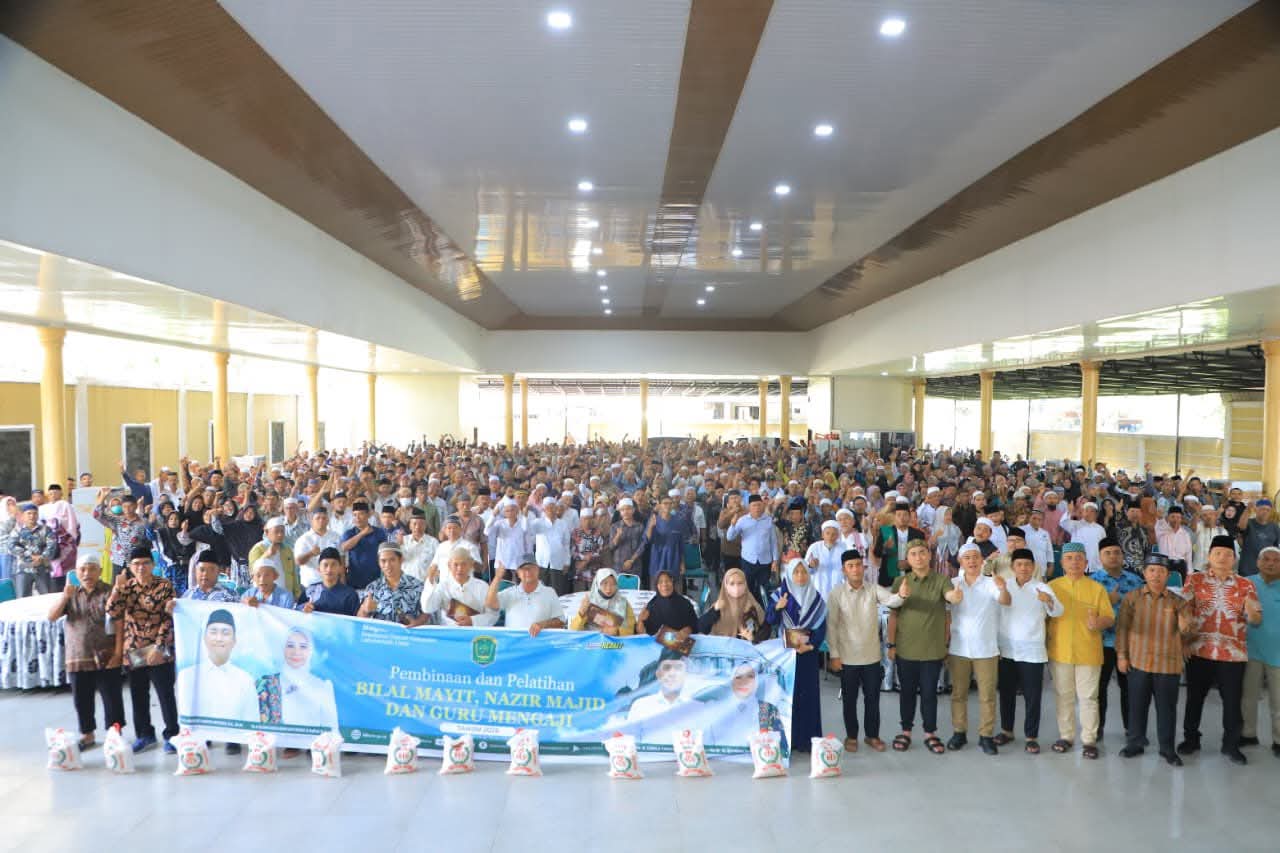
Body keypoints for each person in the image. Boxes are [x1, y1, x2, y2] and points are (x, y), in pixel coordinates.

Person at [1179, 534, 1262, 764]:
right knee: (1194, 698)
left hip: (1233, 654)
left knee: (1232, 701)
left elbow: (1255, 618)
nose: (1223, 557)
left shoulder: (1246, 585)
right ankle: (1191, 739)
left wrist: (1253, 613)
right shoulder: (1194, 580)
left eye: (1228, 554)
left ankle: (1231, 744)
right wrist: (1184, 639)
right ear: (1208, 556)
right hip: (1199, 649)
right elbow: (1183, 608)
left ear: (1234, 559)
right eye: (1218, 553)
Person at [1116, 552, 1193, 766]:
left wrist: (1186, 627)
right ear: (1144, 573)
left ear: (1168, 575)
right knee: (1136, 706)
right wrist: (1122, 656)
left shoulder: (1179, 602)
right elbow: (1122, 629)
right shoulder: (1132, 598)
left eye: (1161, 571)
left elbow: (1189, 633)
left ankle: (1167, 749)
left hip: (1168, 664)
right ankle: (1135, 743)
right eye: (1152, 570)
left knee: (1167, 709)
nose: (1156, 575)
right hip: (1138, 661)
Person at [888, 539, 963, 754]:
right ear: (907, 559)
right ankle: (906, 731)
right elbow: (893, 616)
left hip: (932, 649)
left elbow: (949, 598)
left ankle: (930, 732)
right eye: (913, 554)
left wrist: (954, 596)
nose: (918, 557)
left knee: (930, 693)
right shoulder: (900, 582)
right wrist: (891, 644)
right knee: (907, 693)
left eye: (922, 553)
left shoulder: (942, 580)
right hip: (905, 648)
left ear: (929, 555)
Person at [825, 549, 901, 752]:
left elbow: (893, 601)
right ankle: (851, 736)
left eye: (858, 565)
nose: (856, 569)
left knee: (873, 699)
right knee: (849, 700)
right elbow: (831, 626)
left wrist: (902, 594)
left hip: (871, 656)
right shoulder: (836, 593)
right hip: (847, 657)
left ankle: (872, 735)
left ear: (863, 567)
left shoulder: (873, 589)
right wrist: (834, 655)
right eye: (851, 566)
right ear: (844, 570)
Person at [48, 552, 124, 750]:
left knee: (112, 697)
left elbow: (119, 624)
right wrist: (65, 596)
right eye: (82, 569)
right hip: (78, 656)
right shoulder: (71, 594)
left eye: (91, 568)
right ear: (77, 573)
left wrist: (118, 653)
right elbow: (52, 616)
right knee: (82, 699)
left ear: (99, 571)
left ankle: (114, 735)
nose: (87, 573)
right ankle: (87, 734)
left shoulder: (109, 592)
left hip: (106, 655)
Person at [105, 546, 178, 753]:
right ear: (129, 566)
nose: (141, 567)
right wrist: (117, 589)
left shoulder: (164, 585)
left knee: (165, 694)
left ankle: (172, 735)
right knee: (138, 695)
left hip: (158, 648)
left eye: (145, 563)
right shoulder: (126, 587)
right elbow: (111, 611)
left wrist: (159, 647)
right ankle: (145, 734)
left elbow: (168, 618)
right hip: (134, 650)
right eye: (136, 564)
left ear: (152, 565)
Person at [1046, 542, 1114, 759]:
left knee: (1088, 698)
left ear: (1086, 562)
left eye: (1079, 558)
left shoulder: (1096, 589)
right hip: (1060, 651)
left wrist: (1098, 623)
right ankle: (1066, 736)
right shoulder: (1052, 587)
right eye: (1069, 558)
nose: (1074, 562)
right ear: (1062, 562)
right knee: (1063, 696)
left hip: (1089, 652)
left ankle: (1089, 740)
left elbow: (1109, 618)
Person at [995, 547, 1062, 754]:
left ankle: (1031, 736)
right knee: (1006, 693)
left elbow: (1059, 611)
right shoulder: (1004, 587)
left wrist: (1049, 600)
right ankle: (1007, 731)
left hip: (1032, 651)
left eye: (1027, 564)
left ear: (1033, 567)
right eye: (1019, 564)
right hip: (1007, 649)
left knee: (1033, 696)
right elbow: (996, 612)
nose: (1023, 568)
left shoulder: (1042, 588)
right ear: (1013, 567)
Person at [946, 543, 1011, 755]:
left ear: (982, 560)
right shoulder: (953, 584)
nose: (972, 561)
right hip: (959, 648)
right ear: (960, 562)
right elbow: (944, 610)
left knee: (987, 695)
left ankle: (986, 735)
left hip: (986, 649)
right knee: (959, 694)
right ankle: (959, 732)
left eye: (975, 557)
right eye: (967, 558)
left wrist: (1002, 588)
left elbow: (1005, 601)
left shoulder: (992, 583)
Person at [766, 558, 827, 751]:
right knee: (787, 695)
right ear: (789, 575)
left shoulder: (816, 597)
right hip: (786, 654)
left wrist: (810, 646)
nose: (800, 576)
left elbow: (821, 628)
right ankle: (788, 739)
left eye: (803, 572)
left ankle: (807, 739)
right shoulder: (780, 595)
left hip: (807, 654)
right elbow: (770, 620)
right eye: (796, 573)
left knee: (808, 696)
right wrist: (778, 607)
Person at [1089, 536, 1144, 742]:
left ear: (1123, 556)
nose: (1113, 556)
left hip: (1128, 645)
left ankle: (1133, 730)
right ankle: (1097, 729)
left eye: (1117, 552)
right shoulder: (1092, 581)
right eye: (1107, 553)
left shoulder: (1135, 581)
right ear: (1100, 557)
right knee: (1098, 689)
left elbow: (1143, 611)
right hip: (1100, 644)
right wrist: (1107, 602)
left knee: (1130, 690)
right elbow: (1086, 614)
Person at [176, 608, 260, 739]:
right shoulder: (187, 676)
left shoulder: (245, 679)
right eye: (213, 632)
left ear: (234, 640)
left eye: (226, 633)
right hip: (198, 741)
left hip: (236, 739)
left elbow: (251, 723)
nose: (219, 638)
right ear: (204, 638)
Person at [256, 626, 340, 732]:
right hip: (274, 746)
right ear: (283, 648)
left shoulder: (323, 686)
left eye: (303, 646)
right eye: (290, 645)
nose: (296, 652)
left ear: (311, 651)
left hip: (311, 746)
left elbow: (331, 729)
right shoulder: (265, 684)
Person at [1242, 546, 1280, 756]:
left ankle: (1279, 739)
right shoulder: (1246, 584)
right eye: (1266, 559)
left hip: (1278, 654)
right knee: (1248, 696)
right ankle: (1248, 734)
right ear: (1258, 562)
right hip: (1251, 650)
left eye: (1276, 560)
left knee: (1279, 700)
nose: (1271, 563)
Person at [708, 662, 787, 750]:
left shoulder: (769, 709)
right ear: (731, 681)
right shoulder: (717, 709)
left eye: (750, 676)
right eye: (738, 677)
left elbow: (782, 748)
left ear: (756, 681)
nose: (744, 682)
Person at [485, 553, 565, 636]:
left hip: (540, 646)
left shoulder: (549, 592)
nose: (527, 571)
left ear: (537, 569)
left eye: (531, 568)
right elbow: (490, 603)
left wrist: (543, 625)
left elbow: (561, 622)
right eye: (523, 569)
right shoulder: (510, 593)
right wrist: (497, 577)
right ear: (518, 573)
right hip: (514, 645)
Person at [625, 649, 692, 745]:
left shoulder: (696, 707)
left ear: (686, 674)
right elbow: (629, 742)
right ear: (658, 674)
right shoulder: (640, 706)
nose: (672, 674)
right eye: (667, 668)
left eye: (678, 668)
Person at [724, 494, 780, 609]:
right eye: (754, 505)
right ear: (749, 507)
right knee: (747, 588)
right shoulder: (742, 520)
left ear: (763, 506)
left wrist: (775, 560)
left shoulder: (768, 520)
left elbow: (773, 542)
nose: (757, 508)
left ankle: (763, 613)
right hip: (748, 560)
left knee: (764, 589)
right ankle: (747, 612)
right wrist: (733, 525)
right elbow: (729, 537)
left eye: (759, 505)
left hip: (765, 561)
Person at [420, 546, 498, 626]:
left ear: (471, 565)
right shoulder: (443, 586)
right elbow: (427, 608)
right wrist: (430, 581)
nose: (460, 568)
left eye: (464, 564)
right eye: (456, 564)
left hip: (475, 634)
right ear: (449, 566)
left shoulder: (482, 587)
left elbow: (493, 615)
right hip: (450, 633)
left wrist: (473, 621)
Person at [357, 541, 427, 625]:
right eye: (383, 561)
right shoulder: (372, 588)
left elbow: (427, 611)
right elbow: (359, 619)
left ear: (401, 560)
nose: (387, 565)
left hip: (408, 636)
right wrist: (365, 610)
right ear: (379, 563)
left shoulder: (417, 586)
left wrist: (418, 622)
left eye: (392, 560)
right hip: (382, 636)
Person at [695, 567, 770, 642]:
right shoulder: (720, 605)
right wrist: (714, 611)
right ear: (725, 586)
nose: (736, 588)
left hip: (747, 649)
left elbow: (766, 628)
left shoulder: (752, 604)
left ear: (745, 585)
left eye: (740, 583)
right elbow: (701, 628)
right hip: (722, 649)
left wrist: (754, 638)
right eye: (732, 584)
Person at [6, 502, 57, 597]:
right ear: (23, 516)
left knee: (47, 597)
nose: (32, 516)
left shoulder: (46, 530)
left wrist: (41, 557)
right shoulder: (17, 531)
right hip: (23, 569)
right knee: (22, 599)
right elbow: (11, 546)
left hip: (42, 568)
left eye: (34, 513)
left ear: (38, 515)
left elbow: (52, 546)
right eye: (29, 513)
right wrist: (30, 555)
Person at [570, 567, 636, 635]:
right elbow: (574, 631)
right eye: (605, 583)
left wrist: (617, 631)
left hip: (614, 642)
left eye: (613, 584)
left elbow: (630, 630)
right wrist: (581, 613)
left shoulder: (623, 603)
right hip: (592, 641)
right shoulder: (589, 601)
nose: (609, 588)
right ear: (598, 584)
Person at [873, 501, 926, 586]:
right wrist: (885, 548)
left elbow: (924, 555)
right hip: (889, 578)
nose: (902, 518)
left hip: (912, 576)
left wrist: (909, 563)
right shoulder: (886, 532)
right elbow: (877, 553)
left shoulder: (918, 534)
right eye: (899, 515)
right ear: (894, 517)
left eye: (905, 515)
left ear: (909, 517)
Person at [247, 517, 300, 600]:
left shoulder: (287, 549)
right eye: (276, 531)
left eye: (282, 531)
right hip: (264, 597)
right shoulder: (258, 548)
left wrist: (297, 594)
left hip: (285, 596)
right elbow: (252, 572)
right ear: (267, 532)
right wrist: (267, 555)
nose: (280, 534)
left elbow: (293, 573)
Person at [298, 547, 360, 616]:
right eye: (325, 565)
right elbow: (295, 612)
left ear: (340, 568)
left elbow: (357, 621)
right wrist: (303, 608)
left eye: (333, 564)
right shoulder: (310, 591)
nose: (329, 569)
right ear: (319, 569)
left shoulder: (350, 595)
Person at [340, 500, 388, 590]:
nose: (357, 518)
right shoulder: (349, 533)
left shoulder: (379, 532)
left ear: (368, 515)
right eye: (355, 515)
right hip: (354, 579)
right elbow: (343, 548)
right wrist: (361, 534)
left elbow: (385, 553)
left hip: (375, 578)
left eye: (361, 514)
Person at [637, 569, 697, 635]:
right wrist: (640, 621)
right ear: (656, 586)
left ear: (673, 583)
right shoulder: (651, 606)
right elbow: (641, 632)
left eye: (668, 581)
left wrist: (688, 629)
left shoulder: (685, 604)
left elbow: (695, 626)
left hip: (680, 643)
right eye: (660, 582)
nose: (664, 584)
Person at [293, 505, 341, 588]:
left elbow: (341, 559)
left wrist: (342, 577)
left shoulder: (336, 536)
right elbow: (298, 561)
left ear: (328, 520)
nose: (321, 520)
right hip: (311, 583)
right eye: (318, 518)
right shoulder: (304, 539)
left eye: (324, 518)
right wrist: (310, 553)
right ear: (311, 520)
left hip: (333, 583)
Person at [804, 520, 845, 598]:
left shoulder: (843, 548)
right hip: (818, 589)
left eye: (834, 534)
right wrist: (811, 565)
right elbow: (805, 569)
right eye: (827, 533)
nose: (830, 537)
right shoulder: (814, 547)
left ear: (838, 536)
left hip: (838, 590)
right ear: (822, 534)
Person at [1239, 499, 1280, 577]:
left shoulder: (1274, 527)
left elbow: (1276, 548)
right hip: (1248, 569)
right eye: (1262, 509)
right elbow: (1241, 526)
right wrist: (1247, 510)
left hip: (1267, 571)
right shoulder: (1249, 523)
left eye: (1268, 510)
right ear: (1256, 510)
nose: (1265, 512)